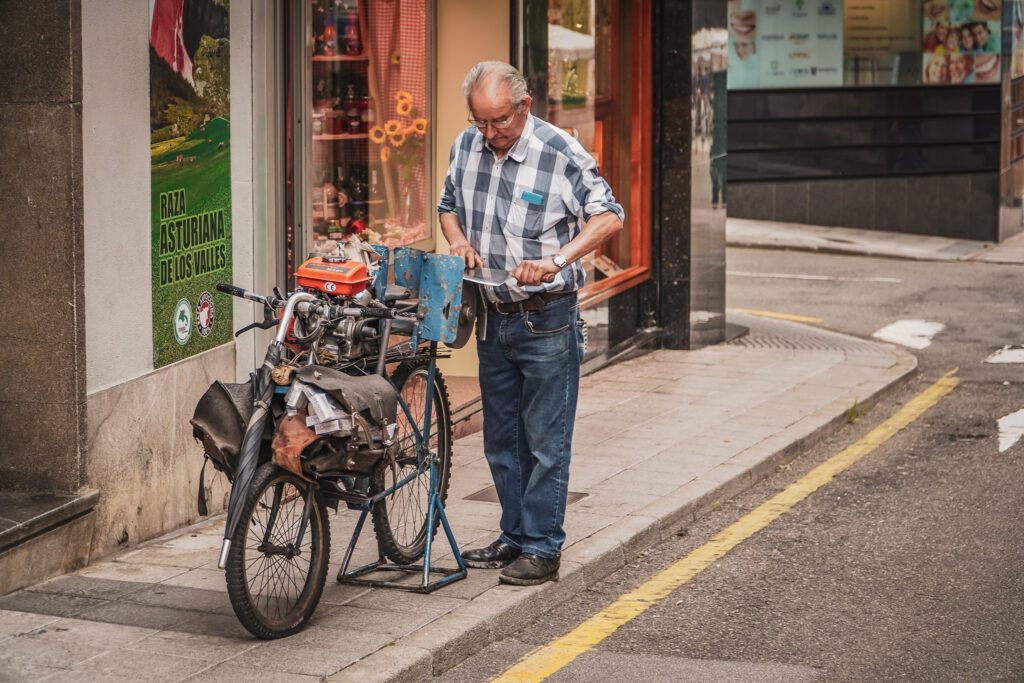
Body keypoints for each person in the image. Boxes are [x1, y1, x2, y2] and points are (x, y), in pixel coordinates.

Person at [438, 61, 624, 586]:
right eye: (480, 121)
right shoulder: (465, 146)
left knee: (545, 442)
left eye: (500, 120)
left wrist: (557, 260)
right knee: (501, 440)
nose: (490, 132)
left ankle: (543, 548)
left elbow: (609, 215)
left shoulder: (559, 151)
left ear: (524, 106)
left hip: (547, 319)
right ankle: (514, 535)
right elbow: (447, 206)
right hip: (492, 317)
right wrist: (457, 240)